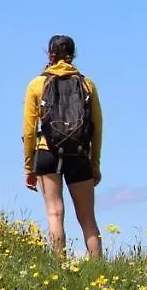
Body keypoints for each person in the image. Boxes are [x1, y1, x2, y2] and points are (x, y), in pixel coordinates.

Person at [22, 34, 104, 260]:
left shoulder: (37, 84)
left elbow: (29, 131)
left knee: (54, 212)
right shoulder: (87, 85)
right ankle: (98, 269)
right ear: (73, 55)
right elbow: (97, 128)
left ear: (49, 54)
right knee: (88, 219)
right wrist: (94, 164)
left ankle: (60, 266)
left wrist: (29, 167)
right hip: (79, 155)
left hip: (47, 152)